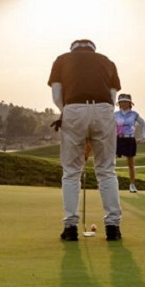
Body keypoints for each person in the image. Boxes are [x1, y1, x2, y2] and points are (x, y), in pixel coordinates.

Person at [47, 39, 123, 241]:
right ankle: (113, 227)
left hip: (73, 108)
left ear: (72, 48)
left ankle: (70, 227)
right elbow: (113, 97)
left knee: (71, 172)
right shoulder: (107, 61)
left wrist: (68, 113)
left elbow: (56, 95)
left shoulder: (62, 60)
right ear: (93, 49)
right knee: (107, 170)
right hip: (104, 110)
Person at [114, 93, 145, 193]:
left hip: (130, 139)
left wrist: (143, 137)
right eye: (121, 102)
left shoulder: (134, 114)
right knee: (112, 163)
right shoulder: (115, 115)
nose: (124, 104)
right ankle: (113, 185)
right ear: (119, 104)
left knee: (131, 164)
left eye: (126, 102)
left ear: (130, 104)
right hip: (118, 139)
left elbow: (144, 124)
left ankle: (132, 185)